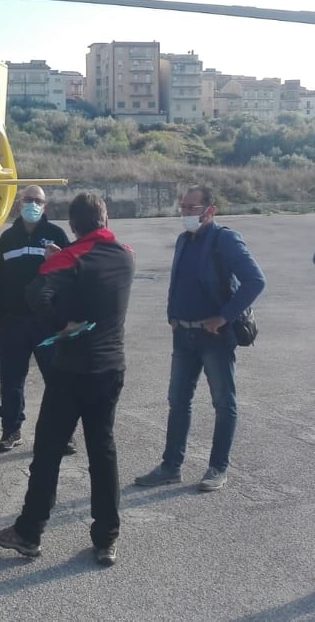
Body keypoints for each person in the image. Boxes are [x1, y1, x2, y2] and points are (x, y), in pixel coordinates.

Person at [0, 192, 134, 567]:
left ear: (73, 225)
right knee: (103, 452)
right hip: (110, 367)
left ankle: (29, 532)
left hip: (72, 370)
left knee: (49, 451)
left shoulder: (69, 258)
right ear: (105, 219)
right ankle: (106, 539)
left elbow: (36, 292)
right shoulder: (125, 254)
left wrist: (59, 320)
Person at [135, 186, 265, 492]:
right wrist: (171, 314)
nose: (186, 213)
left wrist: (225, 316)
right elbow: (177, 280)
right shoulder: (184, 240)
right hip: (184, 335)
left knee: (223, 402)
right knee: (178, 402)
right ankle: (170, 467)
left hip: (215, 338)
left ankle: (218, 467)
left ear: (210, 211)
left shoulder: (225, 240)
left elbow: (255, 281)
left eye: (192, 208)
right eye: (183, 207)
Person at [0, 184, 73, 453]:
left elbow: (72, 275)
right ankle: (11, 430)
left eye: (38, 201)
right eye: (28, 199)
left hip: (47, 323)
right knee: (12, 379)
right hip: (13, 323)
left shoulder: (56, 235)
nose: (32, 205)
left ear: (45, 206)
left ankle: (64, 433)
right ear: (19, 203)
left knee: (58, 379)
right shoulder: (6, 239)